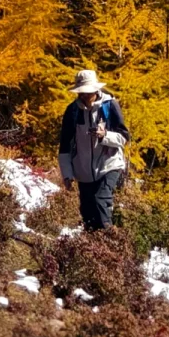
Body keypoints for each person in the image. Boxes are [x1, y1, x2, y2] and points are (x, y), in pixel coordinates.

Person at [58, 69, 130, 231]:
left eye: (87, 92)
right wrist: (67, 174)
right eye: (81, 93)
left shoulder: (110, 105)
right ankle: (94, 250)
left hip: (109, 165)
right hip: (83, 171)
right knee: (88, 213)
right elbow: (65, 145)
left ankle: (110, 244)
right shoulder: (72, 111)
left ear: (96, 90)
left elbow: (124, 138)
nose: (84, 96)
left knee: (101, 201)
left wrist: (105, 136)